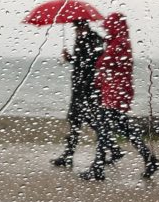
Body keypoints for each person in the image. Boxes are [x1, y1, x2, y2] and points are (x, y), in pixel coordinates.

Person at [87, 12, 159, 180]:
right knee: (124, 128)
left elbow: (103, 62)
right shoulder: (116, 41)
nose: (106, 29)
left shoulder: (120, 42)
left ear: (115, 26)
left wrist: (99, 55)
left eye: (109, 26)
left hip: (117, 92)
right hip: (113, 90)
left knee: (104, 128)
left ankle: (98, 168)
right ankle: (150, 159)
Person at [52, 19, 121, 178]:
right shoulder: (81, 39)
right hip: (79, 87)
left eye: (77, 27)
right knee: (75, 119)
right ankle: (69, 155)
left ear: (84, 26)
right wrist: (70, 58)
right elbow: (80, 62)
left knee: (92, 119)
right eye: (75, 28)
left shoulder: (95, 39)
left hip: (90, 87)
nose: (76, 30)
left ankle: (112, 148)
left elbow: (92, 61)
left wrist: (74, 59)